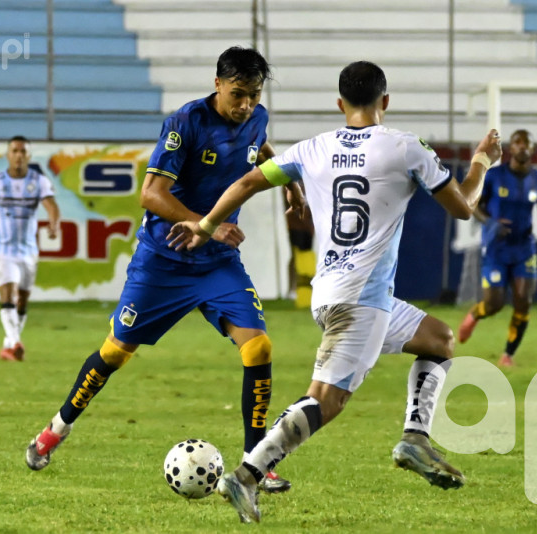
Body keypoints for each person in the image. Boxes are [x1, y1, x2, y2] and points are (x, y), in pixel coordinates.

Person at [167, 60, 503, 523]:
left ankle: (415, 438)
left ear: (340, 104)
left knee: (439, 339)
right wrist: (483, 159)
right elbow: (464, 206)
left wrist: (205, 226)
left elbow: (246, 181)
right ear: (385, 101)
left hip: (335, 293)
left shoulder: (313, 148)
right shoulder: (406, 147)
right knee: (327, 399)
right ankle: (246, 474)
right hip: (360, 300)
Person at [24, 46, 301, 494]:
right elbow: (151, 194)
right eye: (237, 94)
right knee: (114, 353)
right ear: (217, 84)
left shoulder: (256, 117)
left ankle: (258, 464)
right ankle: (55, 430)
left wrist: (290, 182)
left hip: (216, 263)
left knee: (259, 348)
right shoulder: (185, 122)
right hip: (163, 259)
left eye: (253, 95)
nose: (245, 105)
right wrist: (205, 226)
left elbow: (258, 145)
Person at [457, 129, 537, 368]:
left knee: (524, 299)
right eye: (518, 143)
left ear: (533, 150)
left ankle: (507, 355)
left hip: (524, 248)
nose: (522, 147)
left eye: (527, 144)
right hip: (496, 249)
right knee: (495, 304)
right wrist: (491, 222)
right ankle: (475, 315)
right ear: (510, 149)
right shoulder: (494, 177)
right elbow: (474, 207)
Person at [0, 135, 60, 362]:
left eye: (22, 151)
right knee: (8, 294)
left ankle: (8, 345)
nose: (18, 155)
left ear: (29, 155)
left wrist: (54, 224)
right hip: (2, 250)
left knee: (22, 301)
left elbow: (51, 206)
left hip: (28, 252)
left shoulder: (39, 181)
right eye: (14, 151)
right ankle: (16, 341)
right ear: (8, 155)